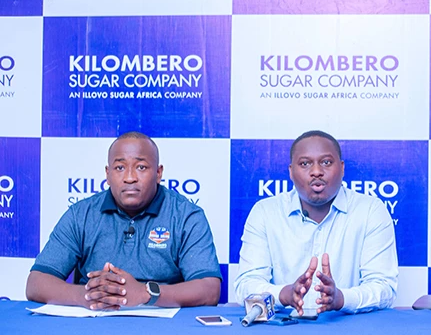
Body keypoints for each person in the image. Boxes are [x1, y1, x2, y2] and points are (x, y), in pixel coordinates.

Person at [26, 131, 222, 309]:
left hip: (164, 326)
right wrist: (89, 295)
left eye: (141, 167)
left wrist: (145, 293)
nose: (129, 177)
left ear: (158, 173)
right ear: (108, 174)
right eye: (120, 167)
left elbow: (209, 290)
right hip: (94, 325)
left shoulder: (186, 216)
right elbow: (36, 283)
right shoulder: (81, 214)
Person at [234, 130, 398, 315]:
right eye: (305, 164)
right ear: (290, 171)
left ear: (342, 168)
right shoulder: (265, 212)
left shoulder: (370, 211)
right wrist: (284, 295)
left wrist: (342, 298)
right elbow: (245, 286)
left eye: (326, 162)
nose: (316, 172)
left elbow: (384, 289)